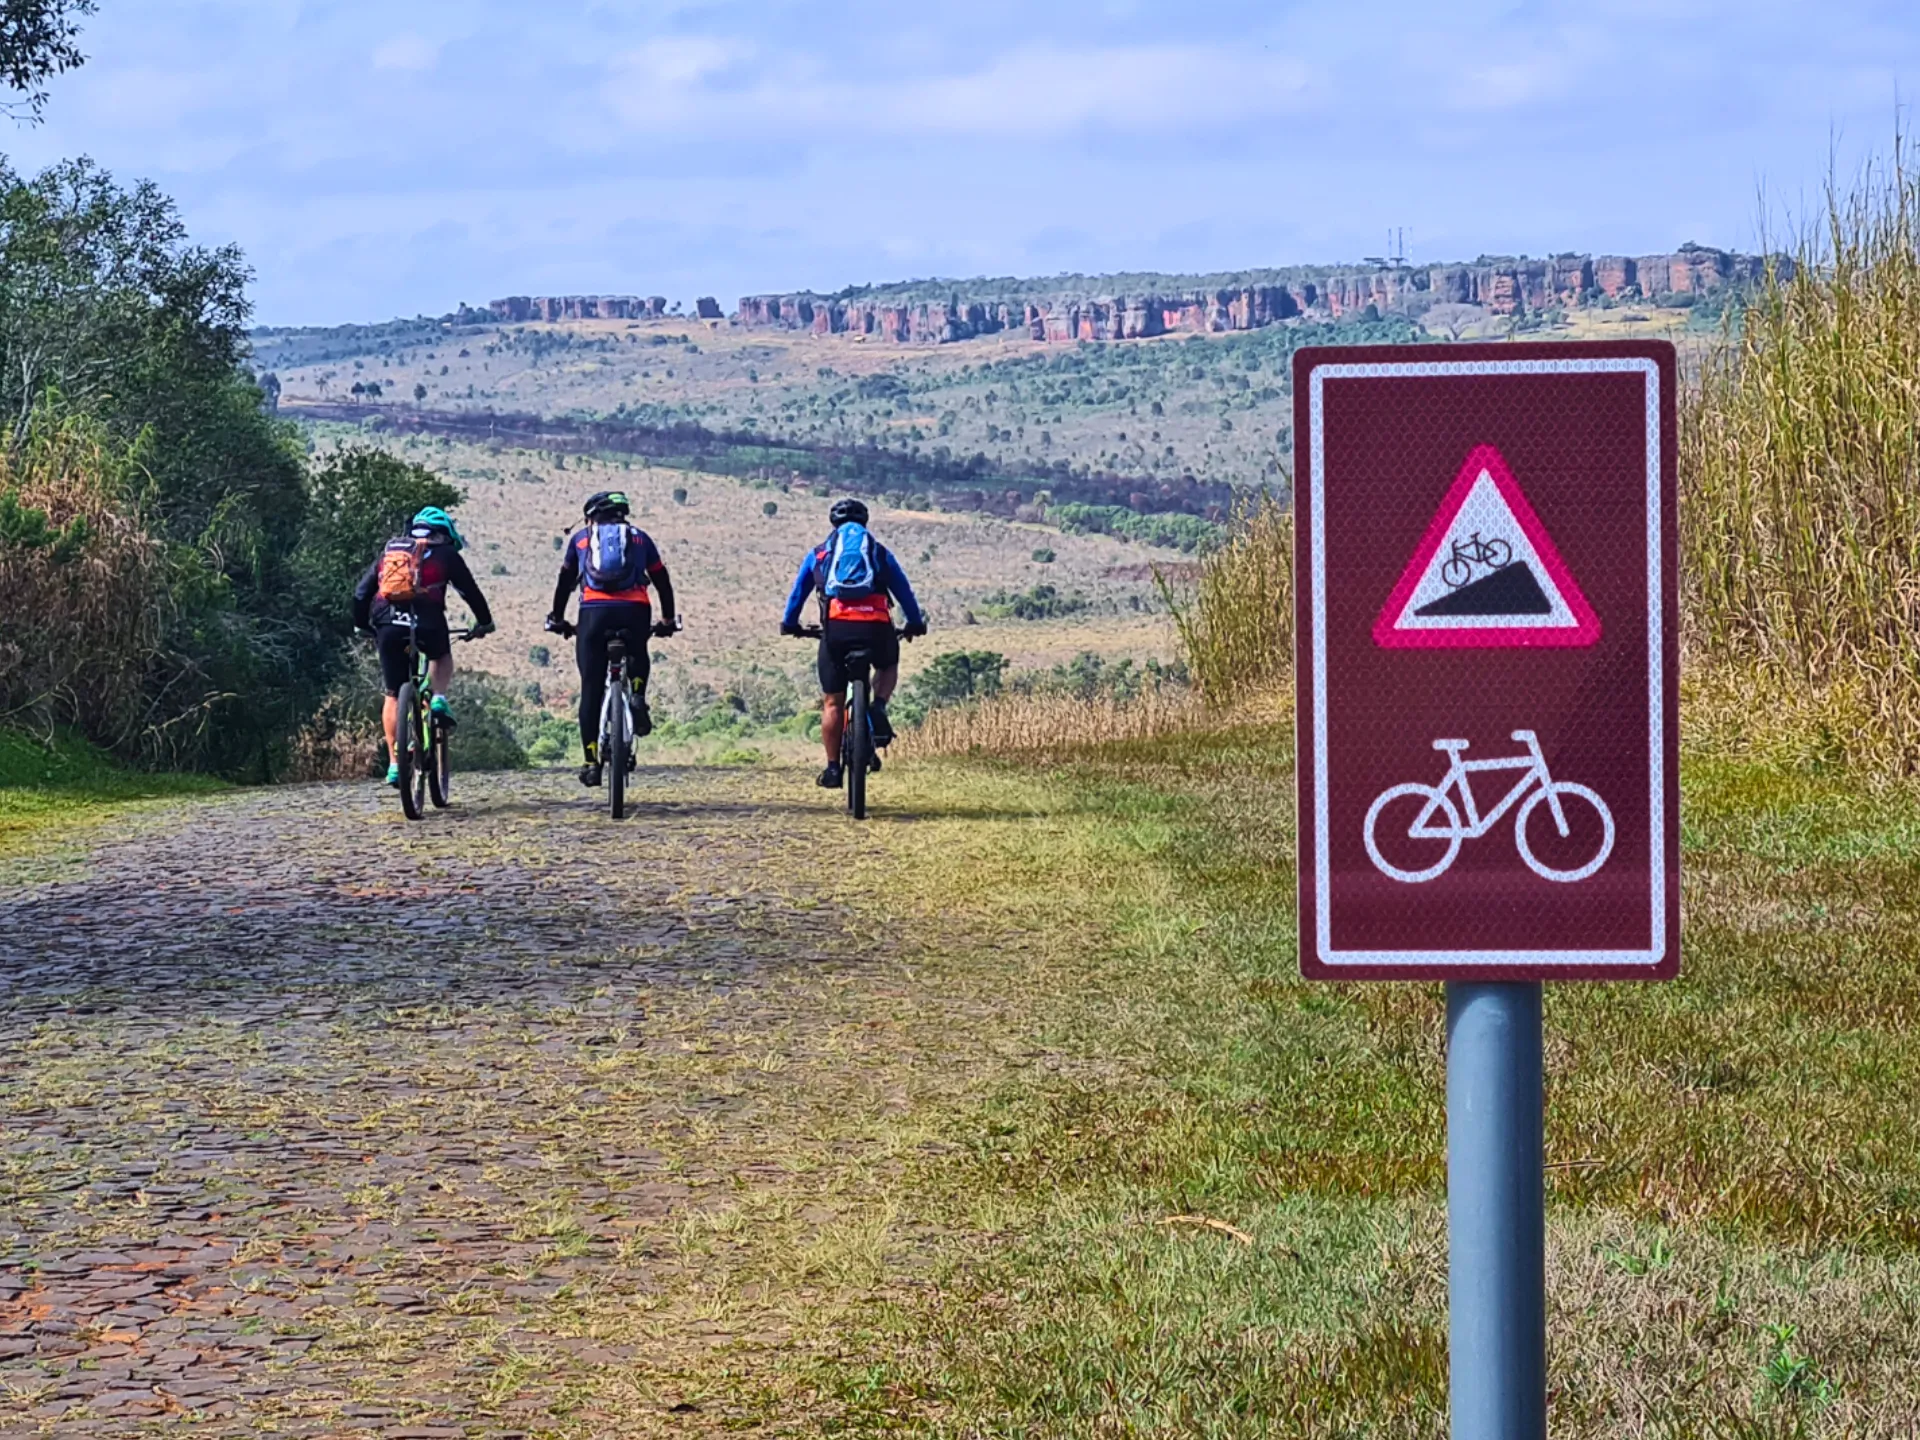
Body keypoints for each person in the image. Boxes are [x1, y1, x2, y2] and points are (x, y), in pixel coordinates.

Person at [780, 497, 926, 789]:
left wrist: (790, 624)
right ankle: (879, 707)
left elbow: (797, 594)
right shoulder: (879, 553)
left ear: (833, 524)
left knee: (833, 702)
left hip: (837, 630)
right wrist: (914, 622)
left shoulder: (819, 555)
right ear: (864, 523)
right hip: (877, 628)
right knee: (887, 665)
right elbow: (904, 592)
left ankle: (833, 768)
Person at [352, 506, 495, 787]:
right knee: (440, 655)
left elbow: (360, 593)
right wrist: (484, 623)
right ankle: (438, 698)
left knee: (393, 694)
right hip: (428, 621)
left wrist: (363, 626)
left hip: (388, 623)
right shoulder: (446, 554)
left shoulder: (390, 553)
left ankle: (394, 765)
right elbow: (470, 592)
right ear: (444, 533)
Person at [547, 490, 677, 787]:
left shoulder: (580, 539)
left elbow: (565, 582)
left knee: (591, 688)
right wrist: (668, 619)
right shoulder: (641, 538)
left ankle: (591, 762)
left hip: (593, 612)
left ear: (592, 515)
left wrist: (556, 618)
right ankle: (638, 695)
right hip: (635, 610)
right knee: (638, 650)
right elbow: (661, 580)